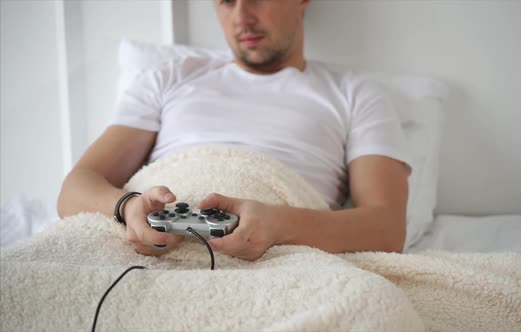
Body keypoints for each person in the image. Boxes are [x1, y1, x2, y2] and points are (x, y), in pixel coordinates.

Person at [57, 0, 412, 261]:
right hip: (147, 250)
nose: (242, 17)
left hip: (283, 258)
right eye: (227, 1)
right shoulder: (168, 78)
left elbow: (386, 227)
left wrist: (277, 224)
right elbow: (75, 188)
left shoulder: (356, 95)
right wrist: (128, 206)